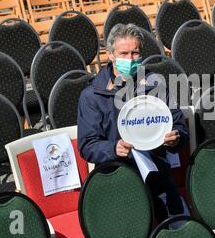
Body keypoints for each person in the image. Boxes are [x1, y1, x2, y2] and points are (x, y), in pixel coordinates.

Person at [77, 23, 189, 222]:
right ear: (110, 55)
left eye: (135, 53)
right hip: (117, 176)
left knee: (179, 228)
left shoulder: (155, 84)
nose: (130, 59)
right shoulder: (92, 95)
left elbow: (179, 125)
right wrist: (114, 148)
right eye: (123, 53)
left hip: (156, 172)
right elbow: (87, 145)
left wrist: (176, 137)